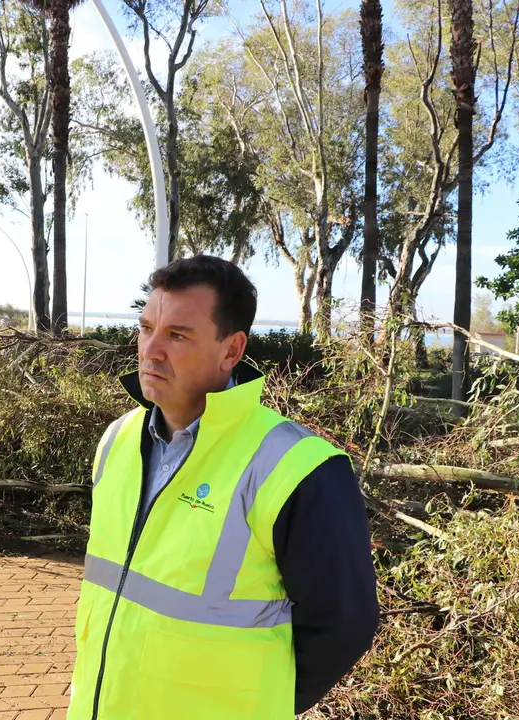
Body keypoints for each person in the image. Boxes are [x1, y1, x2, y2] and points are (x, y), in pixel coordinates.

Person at [68, 256, 379, 720]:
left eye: (177, 335)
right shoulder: (118, 439)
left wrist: (252, 702)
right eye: (146, 327)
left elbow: (344, 626)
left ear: (231, 351)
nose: (150, 350)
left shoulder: (295, 466)